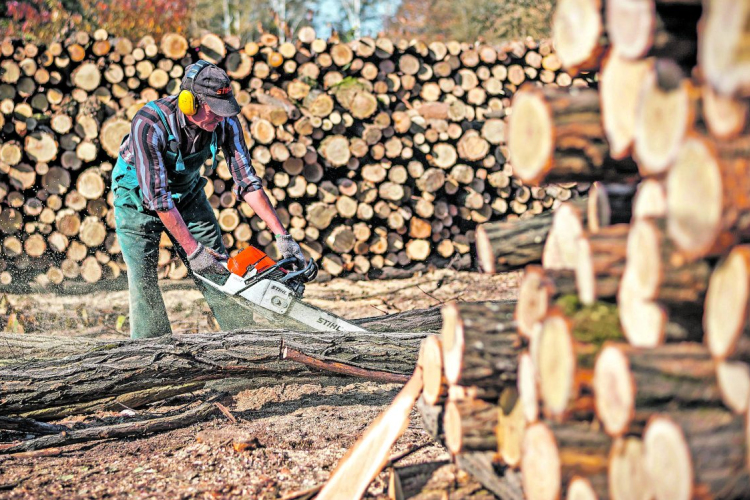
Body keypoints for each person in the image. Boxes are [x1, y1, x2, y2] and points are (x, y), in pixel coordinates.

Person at [112, 59, 305, 339]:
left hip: (187, 195)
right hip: (136, 201)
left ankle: (241, 339)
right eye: (214, 111)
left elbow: (247, 180)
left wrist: (282, 236)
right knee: (142, 278)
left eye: (224, 111)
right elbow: (158, 198)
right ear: (190, 102)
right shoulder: (149, 123)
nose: (220, 118)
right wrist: (193, 251)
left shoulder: (225, 123)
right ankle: (151, 349)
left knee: (218, 270)